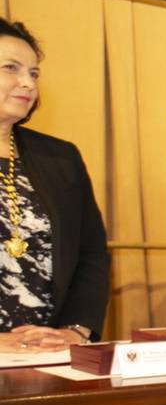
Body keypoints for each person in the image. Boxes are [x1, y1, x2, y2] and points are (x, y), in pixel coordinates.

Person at [0, 18, 108, 352]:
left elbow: (92, 253)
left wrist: (75, 331)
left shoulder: (61, 158)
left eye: (33, 73)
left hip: (51, 354)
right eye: (11, 68)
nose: (27, 83)